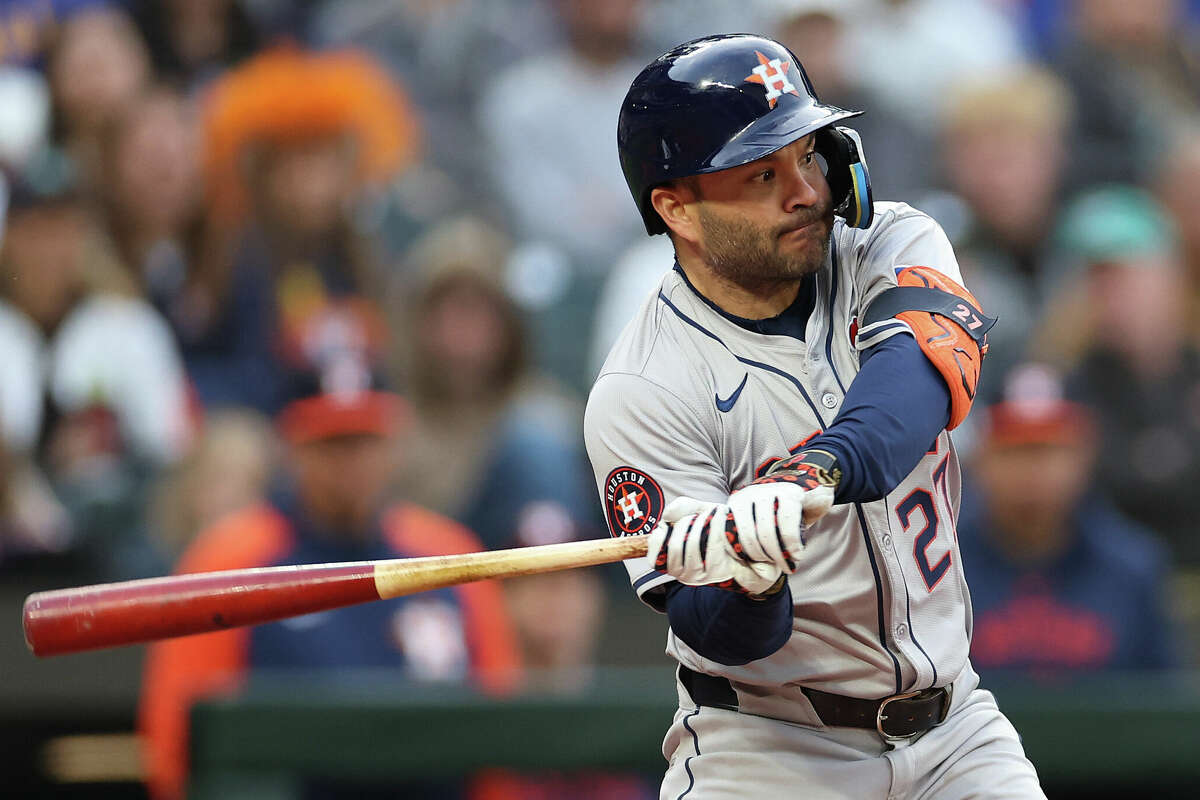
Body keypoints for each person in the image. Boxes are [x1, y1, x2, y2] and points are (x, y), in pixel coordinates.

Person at [584, 34, 1043, 797]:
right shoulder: (643, 387)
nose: (806, 192)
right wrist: (748, 577)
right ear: (677, 209)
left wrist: (809, 473)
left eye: (807, 155)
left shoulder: (887, 239)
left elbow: (915, 387)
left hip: (956, 731)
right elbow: (719, 636)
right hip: (768, 753)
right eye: (763, 173)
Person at [139, 344, 521, 799]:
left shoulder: (447, 555)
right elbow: (173, 744)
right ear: (292, 448)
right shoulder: (230, 559)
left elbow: (503, 734)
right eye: (331, 443)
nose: (350, 463)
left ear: (393, 444)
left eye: (364, 440)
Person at [958, 364, 1176, 677]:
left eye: (1048, 449)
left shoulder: (1134, 567)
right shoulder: (941, 568)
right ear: (981, 458)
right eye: (1015, 449)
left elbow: (1164, 707)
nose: (1033, 469)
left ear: (1085, 454)